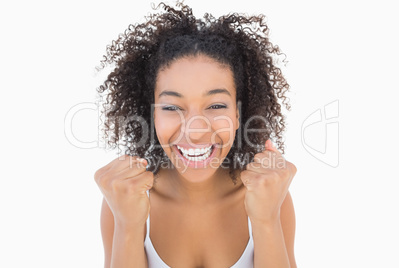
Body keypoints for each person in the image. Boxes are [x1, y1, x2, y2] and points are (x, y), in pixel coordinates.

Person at [94, 2, 297, 267]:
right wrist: (128, 225)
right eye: (171, 107)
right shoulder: (124, 197)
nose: (195, 130)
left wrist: (266, 219)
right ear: (151, 115)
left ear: (239, 114)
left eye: (215, 106)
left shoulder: (269, 195)